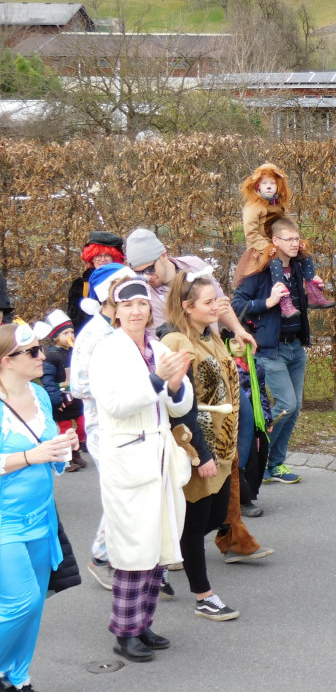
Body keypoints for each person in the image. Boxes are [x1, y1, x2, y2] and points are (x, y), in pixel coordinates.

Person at [89, 276, 194, 663]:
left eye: (142, 304)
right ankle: (125, 631)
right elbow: (115, 405)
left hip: (160, 456)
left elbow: (178, 405)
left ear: (151, 309)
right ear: (115, 311)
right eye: (127, 305)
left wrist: (177, 386)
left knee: (157, 545)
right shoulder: (106, 351)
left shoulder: (157, 347)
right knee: (134, 547)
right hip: (128, 456)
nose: (136, 311)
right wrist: (157, 380)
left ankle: (143, 623)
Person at [160, 271, 271, 621]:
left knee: (215, 517)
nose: (216, 307)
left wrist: (233, 344)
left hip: (222, 447)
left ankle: (156, 560)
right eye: (208, 302)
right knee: (195, 526)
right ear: (187, 306)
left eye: (216, 301)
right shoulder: (177, 341)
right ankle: (204, 596)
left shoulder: (210, 335)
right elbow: (178, 406)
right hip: (197, 448)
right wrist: (200, 454)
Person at [0, 323, 78, 692]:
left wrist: (63, 446)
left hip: (43, 516)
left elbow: (47, 452)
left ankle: (17, 677)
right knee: (23, 602)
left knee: (34, 607)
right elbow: (32, 454)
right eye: (32, 352)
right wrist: (32, 456)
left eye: (40, 348)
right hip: (5, 521)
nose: (42, 356)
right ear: (6, 360)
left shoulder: (39, 395)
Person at [68, 264, 136, 591]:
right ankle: (100, 557)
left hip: (129, 420)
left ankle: (124, 552)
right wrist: (117, 388)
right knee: (119, 490)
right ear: (108, 293)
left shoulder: (124, 327)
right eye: (123, 286)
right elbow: (78, 385)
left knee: (131, 487)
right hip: (101, 425)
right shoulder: (93, 333)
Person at [232, 217, 310, 484]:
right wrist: (268, 302)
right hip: (269, 350)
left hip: (295, 347)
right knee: (286, 404)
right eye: (289, 239)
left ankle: (274, 465)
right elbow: (237, 305)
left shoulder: (298, 268)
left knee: (294, 408)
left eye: (297, 238)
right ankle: (253, 455)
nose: (295, 244)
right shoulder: (260, 271)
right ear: (275, 241)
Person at [124, 228, 257, 349]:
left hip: (216, 350)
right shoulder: (145, 296)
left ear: (164, 255)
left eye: (150, 269)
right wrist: (206, 315)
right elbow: (168, 340)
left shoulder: (194, 265)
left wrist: (238, 330)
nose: (146, 277)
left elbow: (221, 302)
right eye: (139, 273)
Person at [232, 162, 334, 314]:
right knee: (275, 262)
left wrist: (297, 241)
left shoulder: (279, 205)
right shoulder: (253, 207)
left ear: (278, 185)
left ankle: (313, 293)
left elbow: (288, 224)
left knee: (306, 256)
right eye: (264, 183)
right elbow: (251, 234)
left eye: (272, 183)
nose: (268, 186)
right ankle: (283, 298)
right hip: (260, 248)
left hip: (279, 243)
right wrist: (268, 248)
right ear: (258, 186)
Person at [224, 331, 271, 518]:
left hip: (254, 418)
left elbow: (261, 393)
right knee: (241, 457)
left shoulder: (256, 367)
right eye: (233, 342)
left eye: (243, 342)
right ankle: (242, 500)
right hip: (235, 419)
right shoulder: (227, 366)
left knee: (257, 456)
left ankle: (248, 493)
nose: (238, 346)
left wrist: (266, 418)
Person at [37, 309, 87, 471]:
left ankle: (76, 452)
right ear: (56, 337)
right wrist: (56, 399)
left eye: (72, 332)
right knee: (66, 430)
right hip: (62, 399)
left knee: (82, 425)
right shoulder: (52, 356)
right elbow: (48, 379)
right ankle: (67, 459)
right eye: (65, 333)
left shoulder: (75, 352)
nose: (70, 336)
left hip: (76, 397)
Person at [66, 231, 126, 331]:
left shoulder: (123, 281)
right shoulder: (80, 285)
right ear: (92, 258)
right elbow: (75, 319)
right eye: (98, 255)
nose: (102, 259)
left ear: (114, 258)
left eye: (107, 255)